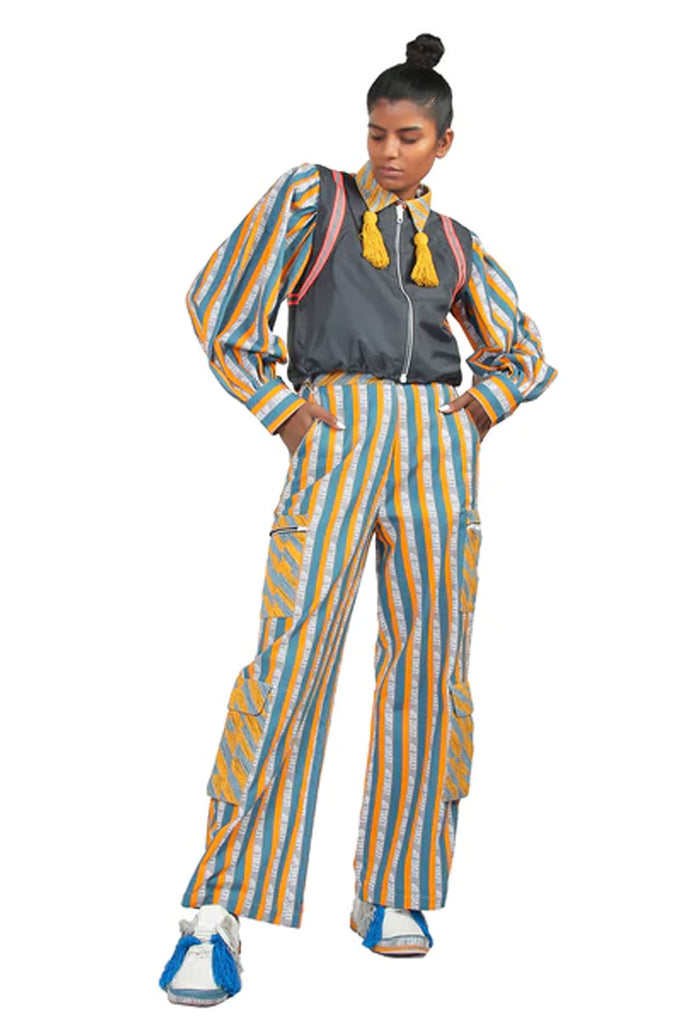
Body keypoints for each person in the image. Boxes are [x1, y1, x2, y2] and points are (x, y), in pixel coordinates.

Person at [159, 31, 558, 1006]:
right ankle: (217, 910)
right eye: (376, 133)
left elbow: (523, 353)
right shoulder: (316, 199)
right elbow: (218, 304)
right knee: (290, 651)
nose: (386, 151)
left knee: (431, 658)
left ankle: (394, 887)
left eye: (407, 137)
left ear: (442, 143)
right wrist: (287, 413)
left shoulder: (454, 243)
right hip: (335, 430)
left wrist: (473, 414)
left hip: (436, 446)